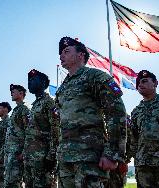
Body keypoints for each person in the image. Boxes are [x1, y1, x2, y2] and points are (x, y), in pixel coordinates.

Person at [56, 36, 127, 187]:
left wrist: (113, 154)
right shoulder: (62, 87)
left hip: (89, 157)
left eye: (67, 51)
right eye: (61, 52)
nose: (61, 55)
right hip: (65, 158)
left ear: (81, 55)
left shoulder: (95, 77)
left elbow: (115, 113)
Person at [23, 69, 59, 188]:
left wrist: (51, 155)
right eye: (29, 80)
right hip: (30, 157)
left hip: (42, 158)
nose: (30, 82)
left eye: (33, 79)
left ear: (43, 83)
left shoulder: (49, 102)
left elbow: (55, 128)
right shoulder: (34, 106)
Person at [4, 84, 30, 188]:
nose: (11, 93)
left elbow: (29, 131)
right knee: (9, 181)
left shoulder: (25, 109)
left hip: (18, 153)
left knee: (14, 182)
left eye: (13, 91)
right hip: (11, 152)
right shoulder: (16, 110)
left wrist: (24, 152)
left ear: (21, 93)